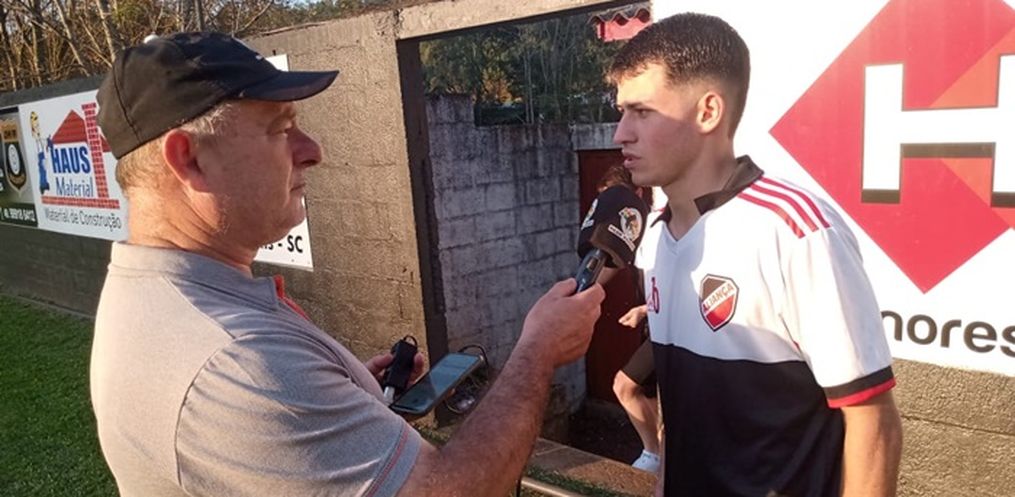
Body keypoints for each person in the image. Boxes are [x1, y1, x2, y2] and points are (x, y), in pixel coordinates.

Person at [90, 32, 605, 497]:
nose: (312, 151)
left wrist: (345, 391)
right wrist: (538, 351)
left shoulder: (154, 297)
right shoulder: (234, 362)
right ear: (189, 158)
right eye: (279, 128)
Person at [608, 13, 903, 497]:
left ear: (708, 112)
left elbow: (871, 419)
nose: (621, 133)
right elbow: (680, 403)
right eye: (622, 111)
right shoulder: (657, 237)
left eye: (641, 112)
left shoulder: (797, 230)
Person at [595, 165, 661, 473]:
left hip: (669, 327)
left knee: (624, 385)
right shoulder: (632, 231)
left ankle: (653, 455)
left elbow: (684, 289)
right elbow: (612, 267)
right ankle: (658, 454)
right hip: (655, 324)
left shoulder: (661, 227)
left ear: (639, 194)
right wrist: (578, 292)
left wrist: (643, 310)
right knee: (648, 393)